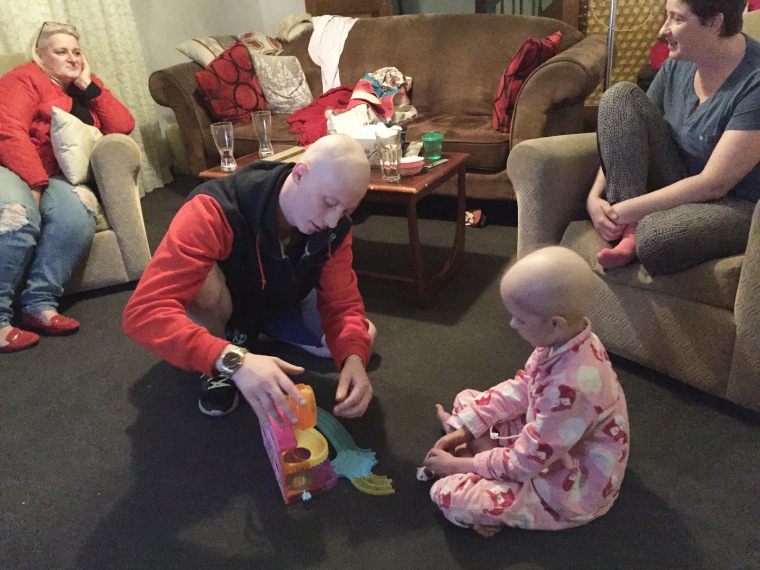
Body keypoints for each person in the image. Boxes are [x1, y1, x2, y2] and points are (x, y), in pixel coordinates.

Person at [123, 134, 377, 425]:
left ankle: (254, 333)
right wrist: (232, 360)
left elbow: (342, 305)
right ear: (299, 173)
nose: (333, 221)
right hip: (223, 305)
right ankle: (226, 346)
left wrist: (354, 359)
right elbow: (143, 314)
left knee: (362, 338)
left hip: (277, 298)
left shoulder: (335, 225)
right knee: (204, 287)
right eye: (329, 202)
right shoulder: (211, 209)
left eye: (346, 210)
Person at [421, 247, 629, 537]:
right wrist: (464, 432)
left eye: (519, 318)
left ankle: (494, 496)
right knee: (467, 400)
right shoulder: (567, 339)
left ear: (555, 323)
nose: (511, 324)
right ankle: (484, 458)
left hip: (567, 483)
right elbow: (523, 387)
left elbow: (525, 462)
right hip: (548, 437)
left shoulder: (570, 385)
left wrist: (459, 465)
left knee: (446, 495)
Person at [587, 0, 760, 275]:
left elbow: (714, 184)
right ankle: (630, 232)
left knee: (657, 239)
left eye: (676, 19)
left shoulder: (755, 80)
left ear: (714, 22)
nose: (662, 29)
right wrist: (595, 196)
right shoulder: (679, 62)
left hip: (734, 203)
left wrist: (620, 212)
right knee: (619, 97)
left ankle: (634, 231)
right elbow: (625, 129)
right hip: (678, 178)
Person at [0, 22, 135, 352]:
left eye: (76, 51)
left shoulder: (83, 88)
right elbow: (7, 130)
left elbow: (123, 126)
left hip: (57, 177)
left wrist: (88, 84)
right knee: (18, 216)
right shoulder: (23, 79)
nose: (72, 58)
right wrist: (35, 184)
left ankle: (38, 304)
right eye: (61, 52)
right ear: (40, 56)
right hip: (12, 166)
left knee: (78, 214)